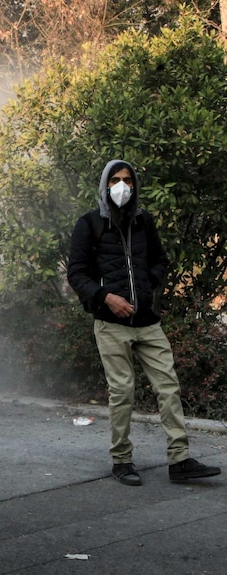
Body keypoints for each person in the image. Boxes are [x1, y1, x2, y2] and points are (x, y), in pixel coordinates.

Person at [67, 159, 221, 486]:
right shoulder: (89, 224)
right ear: (105, 185)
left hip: (148, 322)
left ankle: (180, 460)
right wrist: (106, 297)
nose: (122, 186)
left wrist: (148, 287)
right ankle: (122, 460)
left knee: (168, 385)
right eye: (115, 180)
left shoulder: (143, 221)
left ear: (134, 185)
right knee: (122, 391)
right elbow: (76, 275)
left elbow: (160, 260)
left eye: (127, 180)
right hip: (110, 323)